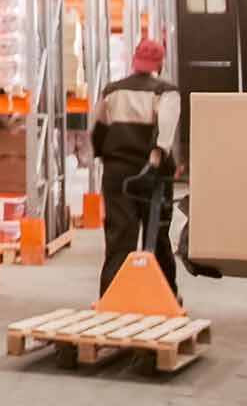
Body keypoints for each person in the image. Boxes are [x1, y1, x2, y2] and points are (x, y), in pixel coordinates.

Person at [90, 36, 181, 299]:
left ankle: (111, 297)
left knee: (119, 237)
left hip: (117, 172)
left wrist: (105, 157)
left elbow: (97, 130)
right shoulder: (166, 92)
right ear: (159, 64)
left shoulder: (112, 90)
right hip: (151, 173)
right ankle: (165, 296)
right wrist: (156, 160)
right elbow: (165, 131)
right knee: (158, 236)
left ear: (134, 61)